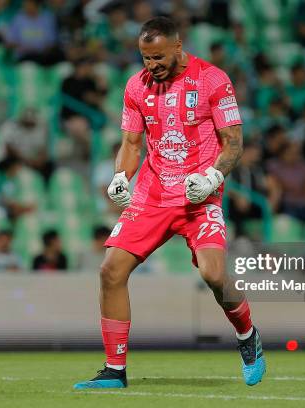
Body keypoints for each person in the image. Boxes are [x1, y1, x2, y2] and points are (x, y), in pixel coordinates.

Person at [73, 17, 265, 390]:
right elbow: (131, 144)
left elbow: (234, 143)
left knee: (213, 274)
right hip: (153, 195)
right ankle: (114, 370)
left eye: (158, 57)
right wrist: (120, 177)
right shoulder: (135, 86)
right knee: (110, 271)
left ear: (178, 47)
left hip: (199, 195)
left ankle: (247, 335)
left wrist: (212, 178)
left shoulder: (212, 79)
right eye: (145, 58)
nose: (152, 65)